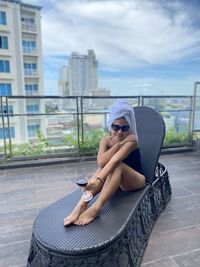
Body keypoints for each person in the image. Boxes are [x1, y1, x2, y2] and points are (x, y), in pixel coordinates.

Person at [64, 100, 145, 226]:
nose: (120, 132)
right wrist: (118, 144)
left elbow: (115, 161)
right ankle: (81, 205)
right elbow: (101, 162)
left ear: (129, 127)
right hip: (114, 179)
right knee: (103, 168)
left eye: (125, 128)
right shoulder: (106, 140)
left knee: (116, 166)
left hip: (135, 180)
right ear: (110, 124)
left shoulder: (131, 140)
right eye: (116, 127)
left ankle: (96, 208)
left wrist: (97, 180)